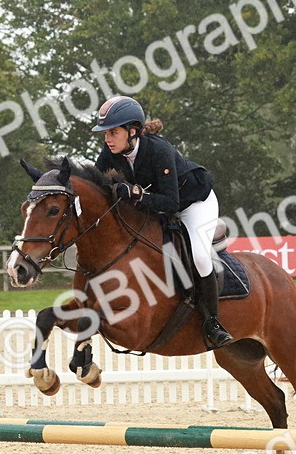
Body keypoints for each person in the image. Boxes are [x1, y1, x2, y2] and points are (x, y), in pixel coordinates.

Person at [91, 95, 234, 349]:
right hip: (162, 205)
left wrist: (137, 194)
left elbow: (170, 203)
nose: (107, 138)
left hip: (194, 203)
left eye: (113, 132)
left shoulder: (159, 150)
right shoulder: (110, 153)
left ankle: (213, 323)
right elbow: (96, 186)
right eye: (105, 133)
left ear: (132, 131)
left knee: (200, 256)